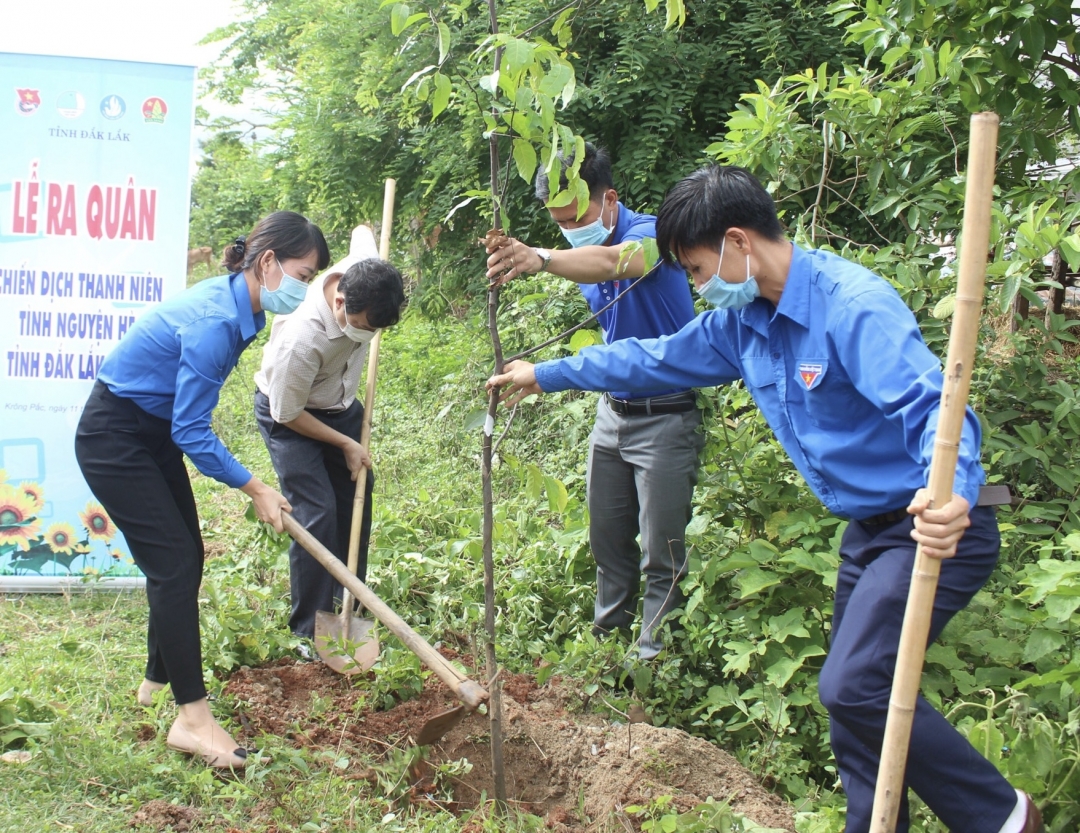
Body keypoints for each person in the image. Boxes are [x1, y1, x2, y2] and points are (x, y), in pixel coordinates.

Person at [487, 166, 1043, 833]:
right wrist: (544, 374)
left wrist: (951, 489)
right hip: (868, 531)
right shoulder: (742, 325)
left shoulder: (848, 305)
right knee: (856, 709)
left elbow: (935, 409)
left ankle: (1005, 819)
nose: (697, 286)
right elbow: (652, 357)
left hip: (931, 526)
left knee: (854, 685)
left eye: (695, 269)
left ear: (737, 244)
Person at [75, 211, 330, 770]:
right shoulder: (217, 320)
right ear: (268, 263)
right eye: (305, 275)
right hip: (114, 437)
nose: (307, 289)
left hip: (151, 431)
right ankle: (192, 718)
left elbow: (181, 421)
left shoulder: (244, 305)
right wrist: (256, 486)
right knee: (173, 566)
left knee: (184, 560)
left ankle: (153, 684)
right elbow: (192, 429)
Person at [484, 143, 705, 660]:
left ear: (609, 199)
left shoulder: (655, 237)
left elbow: (613, 263)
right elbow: (590, 264)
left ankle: (654, 663)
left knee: (662, 555)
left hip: (667, 418)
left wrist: (541, 258)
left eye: (576, 216)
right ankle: (606, 651)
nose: (569, 229)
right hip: (614, 415)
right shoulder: (579, 253)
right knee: (608, 544)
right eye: (558, 223)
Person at [254, 225, 405, 641]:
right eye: (358, 326)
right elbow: (287, 413)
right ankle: (308, 629)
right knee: (317, 511)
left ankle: (348, 603)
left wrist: (367, 235)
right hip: (290, 416)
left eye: (372, 330)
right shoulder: (302, 339)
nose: (365, 335)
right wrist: (345, 442)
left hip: (339, 408)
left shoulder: (362, 276)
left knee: (355, 497)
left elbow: (362, 235)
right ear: (339, 301)